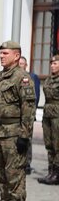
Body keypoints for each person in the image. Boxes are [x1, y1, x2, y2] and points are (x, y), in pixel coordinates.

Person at [0, 41, 36, 201]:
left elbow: (28, 109)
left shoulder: (22, 78)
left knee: (14, 172)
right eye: (0, 53)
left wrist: (24, 136)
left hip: (14, 133)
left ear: (16, 56)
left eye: (5, 53)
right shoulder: (0, 77)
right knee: (0, 171)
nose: (1, 56)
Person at [37, 55, 59, 186]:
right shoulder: (49, 79)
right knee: (49, 144)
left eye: (55, 63)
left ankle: (57, 172)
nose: (52, 65)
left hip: (57, 114)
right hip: (47, 113)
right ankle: (51, 171)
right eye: (51, 63)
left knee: (57, 145)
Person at [19, 56, 40, 175]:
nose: (20, 65)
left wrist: (32, 113)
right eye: (19, 63)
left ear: (26, 65)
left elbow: (35, 97)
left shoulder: (32, 77)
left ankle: (27, 163)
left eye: (22, 63)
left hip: (28, 115)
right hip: (17, 116)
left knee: (27, 138)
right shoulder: (16, 78)